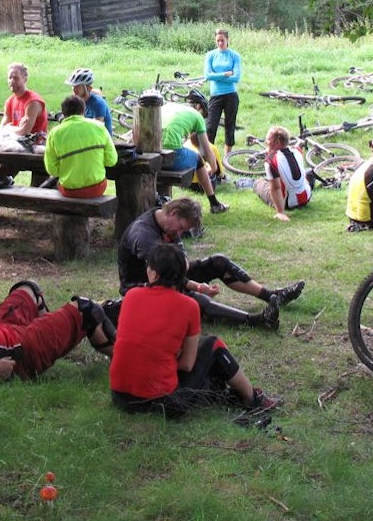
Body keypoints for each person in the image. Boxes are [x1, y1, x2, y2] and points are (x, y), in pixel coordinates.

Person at [110, 243, 281, 419]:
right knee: (213, 345)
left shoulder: (131, 296)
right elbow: (187, 364)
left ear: (153, 273)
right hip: (162, 402)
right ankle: (252, 399)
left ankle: (226, 392)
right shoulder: (189, 305)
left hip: (120, 397)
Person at [115, 197, 304, 330]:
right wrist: (197, 287)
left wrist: (189, 276)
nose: (179, 234)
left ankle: (272, 296)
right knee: (191, 298)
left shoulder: (168, 226)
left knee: (218, 262)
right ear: (172, 212)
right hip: (142, 287)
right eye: (181, 228)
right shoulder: (144, 234)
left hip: (169, 275)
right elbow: (164, 275)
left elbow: (182, 265)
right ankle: (256, 321)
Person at [148, 89, 226, 213]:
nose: (203, 119)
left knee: (194, 156)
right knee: (198, 159)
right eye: (203, 115)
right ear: (199, 107)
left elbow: (194, 139)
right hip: (171, 153)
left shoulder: (170, 106)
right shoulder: (197, 116)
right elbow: (207, 149)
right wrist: (214, 168)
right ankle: (214, 203)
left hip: (151, 151)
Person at [44, 95, 117, 197]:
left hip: (70, 190)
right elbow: (111, 160)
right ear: (83, 110)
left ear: (63, 113)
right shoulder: (99, 127)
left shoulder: (54, 134)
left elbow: (52, 170)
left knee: (54, 185)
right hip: (97, 187)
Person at [255, 125, 312, 222]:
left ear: (277, 142)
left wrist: (280, 212)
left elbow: (276, 188)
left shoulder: (271, 161)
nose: (266, 142)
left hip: (288, 203)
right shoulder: (296, 151)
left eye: (268, 140)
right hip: (306, 197)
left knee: (258, 183)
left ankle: (280, 209)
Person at [203, 28, 242, 156]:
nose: (220, 43)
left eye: (222, 40)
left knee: (230, 125)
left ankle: (227, 156)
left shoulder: (235, 56)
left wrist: (217, 76)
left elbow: (236, 78)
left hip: (231, 95)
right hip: (216, 95)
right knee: (210, 126)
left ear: (227, 40)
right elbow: (208, 76)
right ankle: (210, 154)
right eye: (218, 41)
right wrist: (225, 74)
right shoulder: (210, 55)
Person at [4, 62, 48, 140]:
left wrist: (8, 129)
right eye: (10, 78)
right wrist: (10, 129)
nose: (11, 81)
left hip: (34, 146)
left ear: (25, 79)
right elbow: (2, 128)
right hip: (15, 141)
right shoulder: (10, 101)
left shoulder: (33, 102)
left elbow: (25, 131)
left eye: (16, 78)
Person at [66, 67, 113, 134]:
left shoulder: (98, 103)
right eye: (73, 86)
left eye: (77, 87)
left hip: (100, 139)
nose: (74, 90)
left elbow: (97, 128)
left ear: (88, 88)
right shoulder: (79, 101)